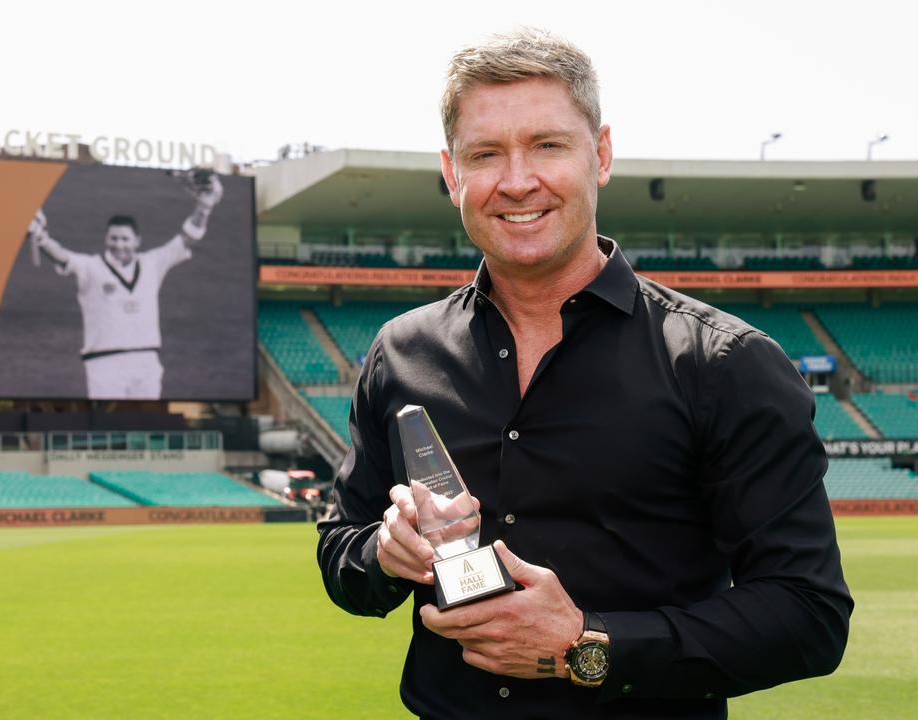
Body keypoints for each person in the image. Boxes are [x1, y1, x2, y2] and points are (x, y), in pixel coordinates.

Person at [316, 29, 852, 719]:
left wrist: (588, 645)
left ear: (599, 155)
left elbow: (809, 614)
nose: (516, 181)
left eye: (547, 145)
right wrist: (386, 555)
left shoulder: (725, 364)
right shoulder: (401, 352)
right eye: (486, 154)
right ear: (451, 174)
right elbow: (342, 552)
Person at [26, 173, 223, 399]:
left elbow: (188, 238)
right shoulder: (91, 267)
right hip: (104, 363)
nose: (119, 244)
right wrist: (40, 237)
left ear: (137, 241)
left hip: (146, 361)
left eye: (125, 239)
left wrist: (204, 208)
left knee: (148, 424)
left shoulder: (152, 263)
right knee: (109, 425)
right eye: (113, 238)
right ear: (105, 240)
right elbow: (62, 256)